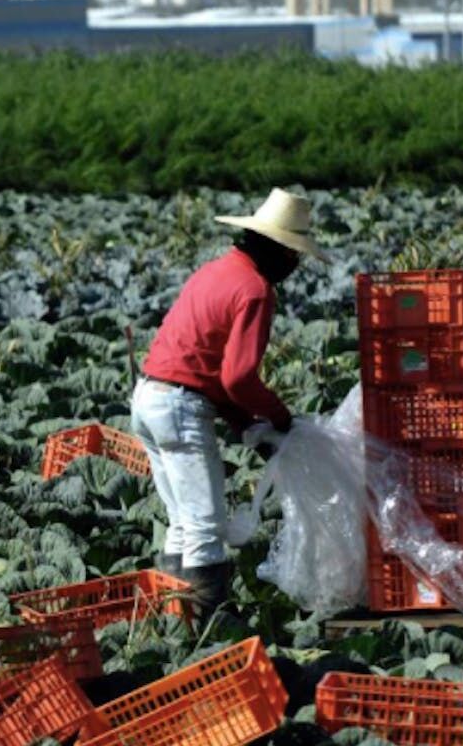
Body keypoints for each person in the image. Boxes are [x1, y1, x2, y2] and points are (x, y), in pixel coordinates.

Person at [131, 188, 331, 617]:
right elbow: (237, 377)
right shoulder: (256, 290)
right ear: (275, 248)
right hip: (181, 408)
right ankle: (208, 633)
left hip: (148, 398)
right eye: (292, 255)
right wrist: (279, 417)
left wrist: (243, 424)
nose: (293, 266)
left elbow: (206, 369)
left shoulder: (215, 271)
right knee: (204, 526)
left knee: (182, 522)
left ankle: (176, 625)